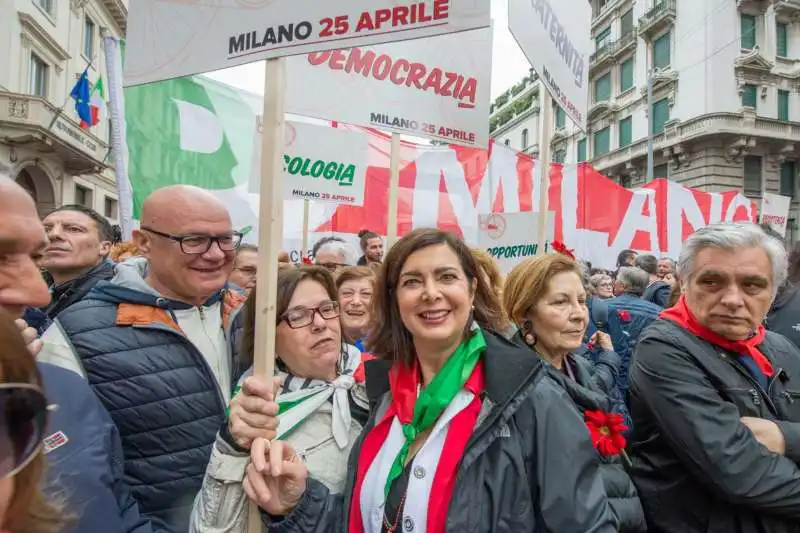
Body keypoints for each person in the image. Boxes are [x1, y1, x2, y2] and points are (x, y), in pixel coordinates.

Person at [241, 228, 617, 533]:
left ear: (471, 290)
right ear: (395, 300)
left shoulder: (529, 395)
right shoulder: (381, 396)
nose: (431, 293)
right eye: (412, 281)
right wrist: (299, 503)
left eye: (447, 277)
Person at [38, 185, 247, 532]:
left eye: (226, 239)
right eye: (193, 240)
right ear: (144, 241)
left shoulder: (254, 314)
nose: (215, 254)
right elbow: (64, 477)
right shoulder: (73, 333)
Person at [0, 173, 159, 532]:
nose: (36, 293)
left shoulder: (61, 388)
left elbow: (120, 506)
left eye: (32, 256)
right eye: (1, 256)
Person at [628, 223, 800, 532]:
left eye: (752, 285)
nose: (733, 299)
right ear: (684, 283)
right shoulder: (663, 348)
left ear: (773, 292)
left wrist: (785, 437)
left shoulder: (782, 348)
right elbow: (740, 472)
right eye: (712, 281)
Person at [190, 266, 369, 532]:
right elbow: (211, 528)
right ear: (267, 340)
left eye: (327, 308)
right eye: (298, 316)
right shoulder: (257, 417)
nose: (320, 323)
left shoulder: (377, 383)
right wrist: (232, 448)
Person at [503, 254, 645, 532]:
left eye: (581, 300)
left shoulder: (577, 365)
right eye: (560, 302)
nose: (579, 313)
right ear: (523, 315)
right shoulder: (522, 390)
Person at [39, 205, 117, 319]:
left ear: (104, 248)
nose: (53, 234)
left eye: (73, 229)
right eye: (46, 229)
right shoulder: (28, 295)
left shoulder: (118, 303)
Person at [606, 267, 662, 402]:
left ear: (624, 285)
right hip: (643, 377)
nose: (614, 283)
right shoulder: (659, 313)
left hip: (609, 373)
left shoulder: (602, 307)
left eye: (617, 280)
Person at [336, 266, 375, 351]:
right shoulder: (322, 347)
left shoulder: (390, 349)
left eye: (366, 294)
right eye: (347, 293)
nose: (356, 302)